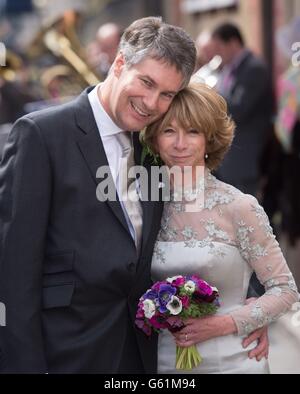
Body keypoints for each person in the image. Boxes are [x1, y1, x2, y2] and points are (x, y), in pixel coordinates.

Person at [0, 16, 197, 374]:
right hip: (65, 350)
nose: (152, 103)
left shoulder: (155, 143)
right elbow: (14, 267)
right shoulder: (41, 135)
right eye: (146, 82)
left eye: (166, 94)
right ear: (119, 63)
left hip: (140, 352)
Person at [144, 82, 299, 374]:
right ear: (154, 138)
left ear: (209, 140)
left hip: (233, 361)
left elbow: (285, 291)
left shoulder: (239, 206)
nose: (180, 144)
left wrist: (230, 322)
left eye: (192, 131)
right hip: (162, 364)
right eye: (168, 131)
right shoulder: (144, 206)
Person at [211, 23, 273, 197]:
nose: (217, 53)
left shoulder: (254, 68)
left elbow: (239, 108)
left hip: (245, 154)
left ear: (233, 43)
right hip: (230, 154)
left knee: (245, 208)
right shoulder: (229, 68)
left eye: (219, 47)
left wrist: (212, 96)